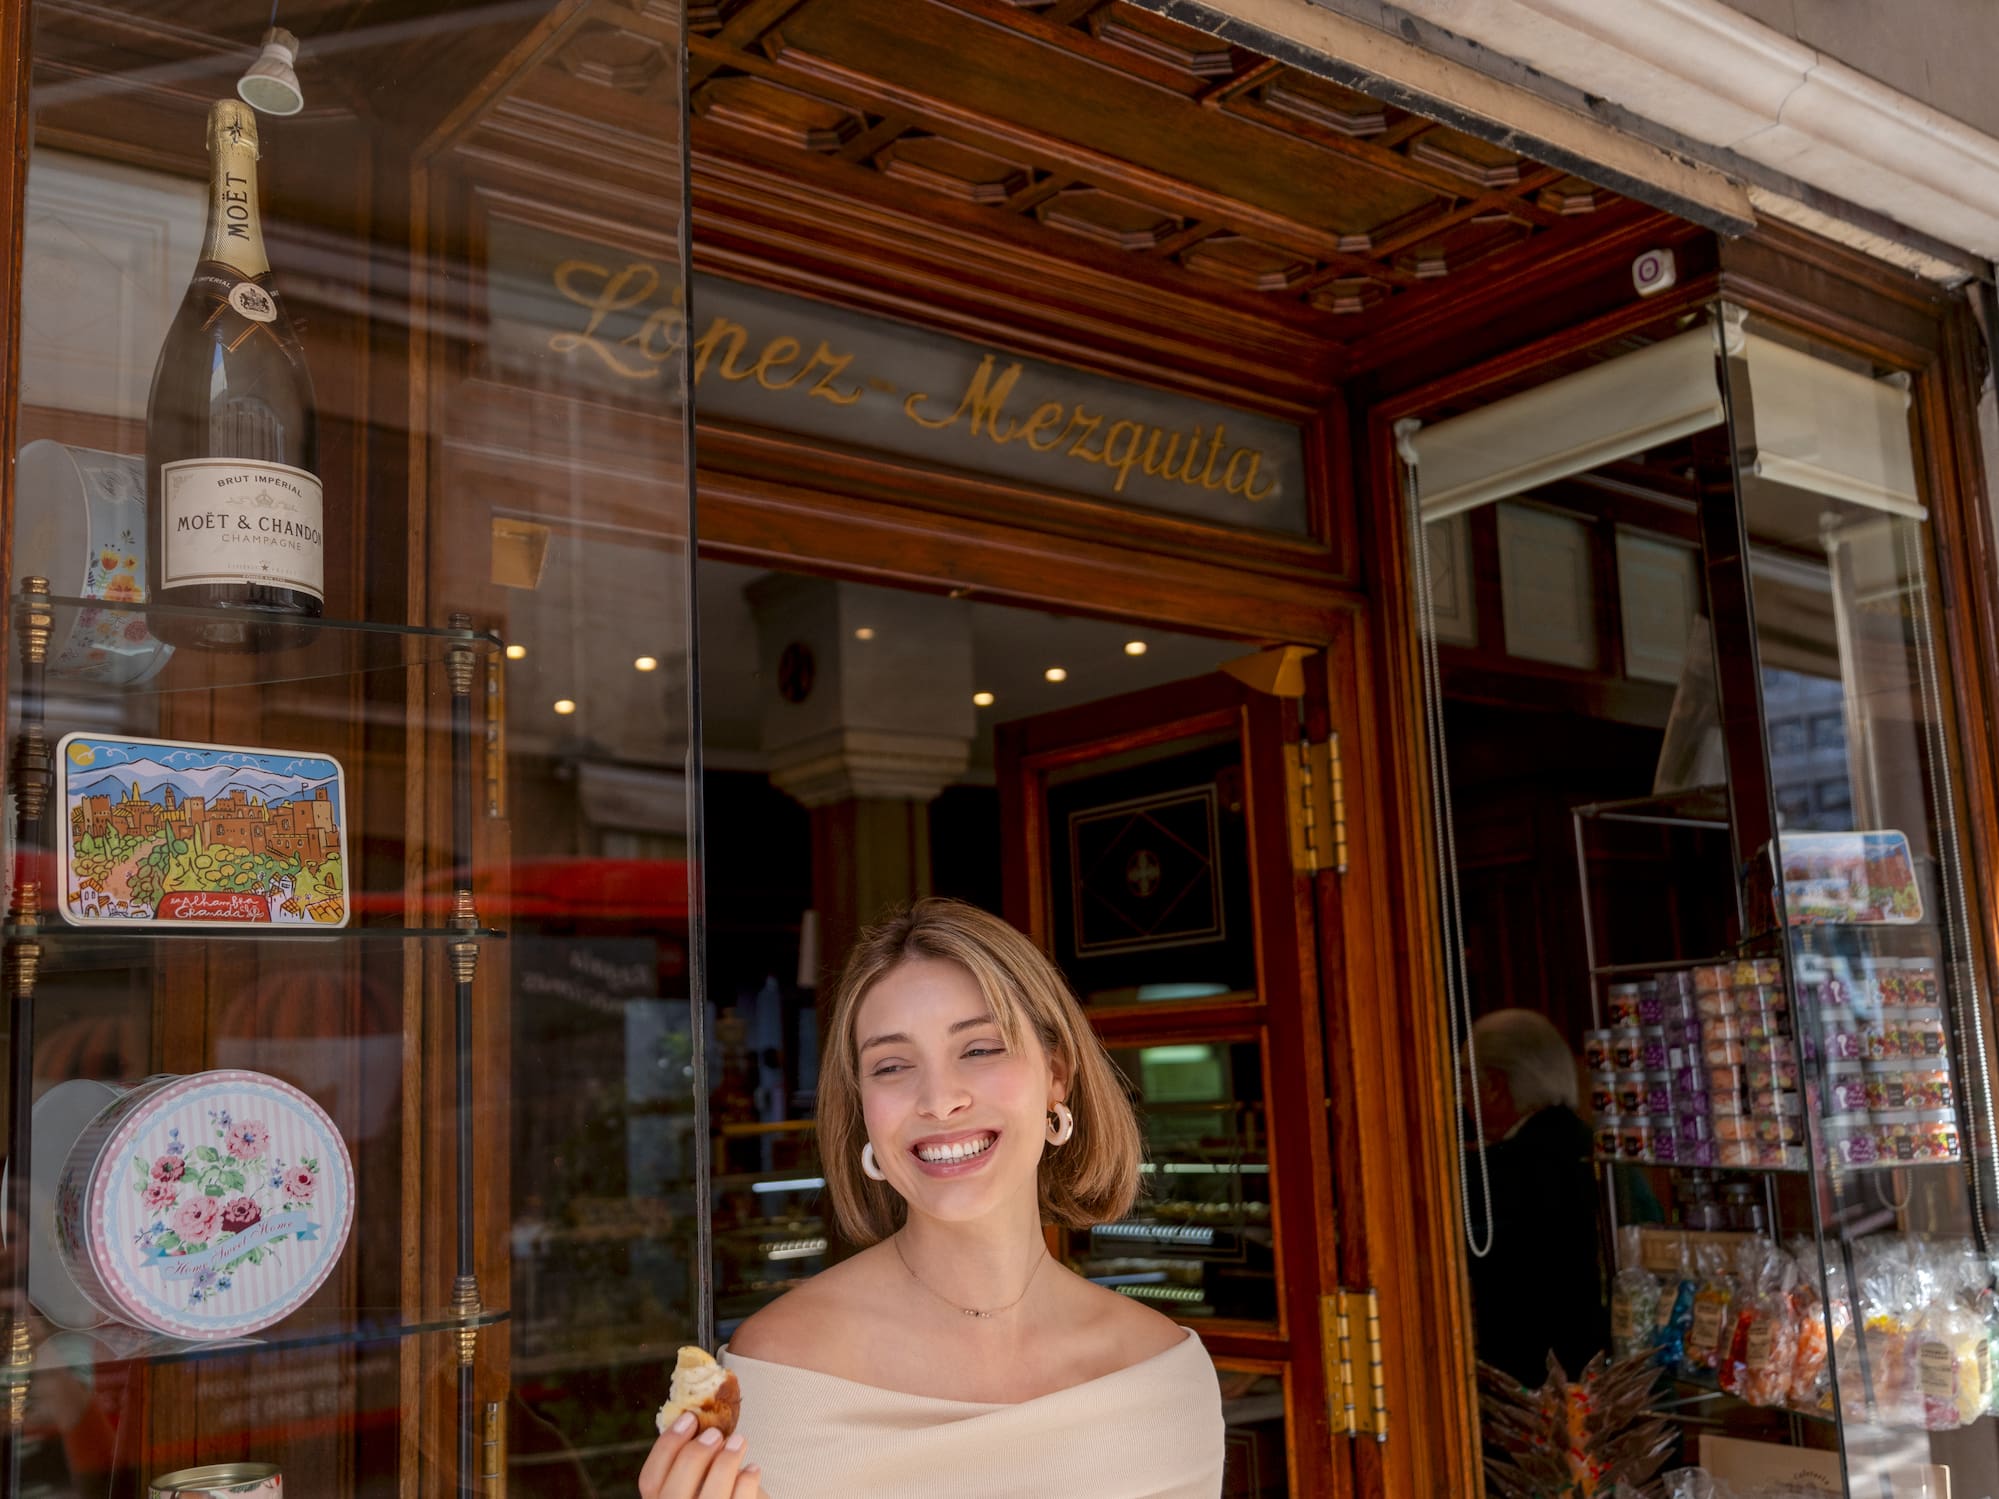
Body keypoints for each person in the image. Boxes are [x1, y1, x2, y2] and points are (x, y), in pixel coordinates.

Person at [637, 898, 1226, 1499]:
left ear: (1057, 1075)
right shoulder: (780, 1366)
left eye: (979, 1049)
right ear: (863, 1107)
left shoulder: (1161, 1375)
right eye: (891, 1065)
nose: (939, 1100)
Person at [1463, 1008, 1609, 1389]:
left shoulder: (1497, 1171)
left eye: (1464, 1082)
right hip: (1608, 1382)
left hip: (1533, 1395)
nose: (1461, 1101)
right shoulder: (1597, 1148)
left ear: (1493, 1084)